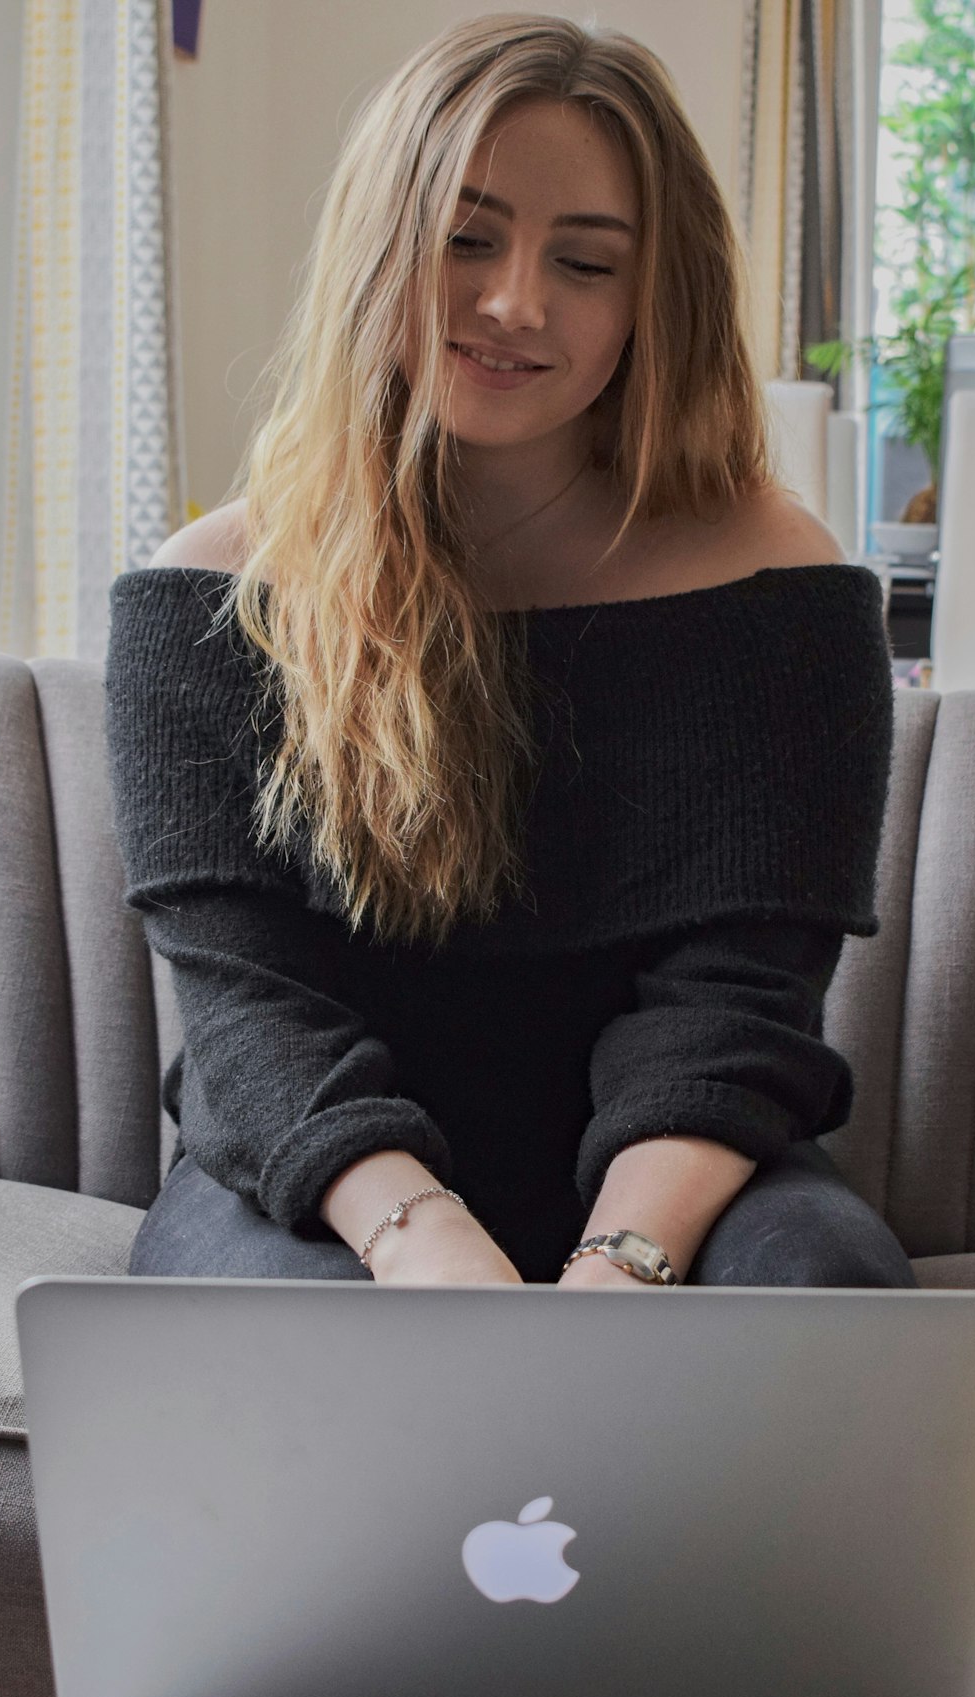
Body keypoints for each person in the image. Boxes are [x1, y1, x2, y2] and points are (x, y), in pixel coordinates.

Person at [105, 12, 915, 1295]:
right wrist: (419, 1236)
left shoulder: (782, 586)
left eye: (586, 262)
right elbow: (248, 1010)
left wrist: (622, 1261)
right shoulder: (202, 594)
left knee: (825, 1289)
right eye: (466, 239)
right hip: (323, 1182)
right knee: (284, 1332)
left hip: (673, 1173)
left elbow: (741, 999)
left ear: (654, 296)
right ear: (379, 249)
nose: (516, 303)